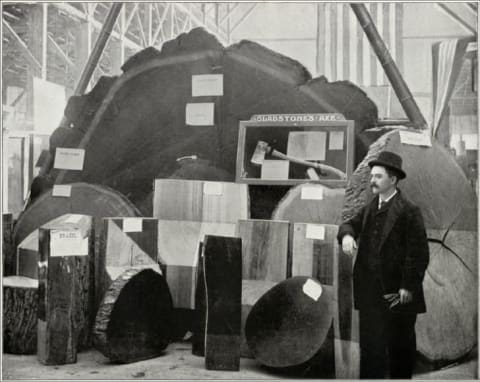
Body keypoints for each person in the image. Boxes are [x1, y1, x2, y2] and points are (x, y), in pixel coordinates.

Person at [337, 151, 429, 379]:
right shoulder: (371, 207)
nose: (372, 181)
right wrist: (347, 236)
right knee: (371, 350)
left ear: (393, 180)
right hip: (370, 294)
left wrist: (408, 286)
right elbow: (349, 224)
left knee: (400, 350)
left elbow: (418, 253)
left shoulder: (409, 211)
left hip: (397, 294)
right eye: (372, 176)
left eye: (378, 176)